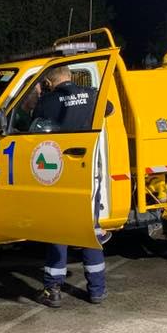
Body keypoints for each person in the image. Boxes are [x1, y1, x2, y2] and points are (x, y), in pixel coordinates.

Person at [30, 65, 109, 308]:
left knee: (58, 232)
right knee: (90, 231)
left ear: (49, 82)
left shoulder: (48, 101)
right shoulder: (92, 94)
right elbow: (110, 109)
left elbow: (32, 127)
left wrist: (37, 98)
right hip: (89, 172)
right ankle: (97, 290)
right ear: (71, 76)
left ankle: (53, 290)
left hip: (60, 173)